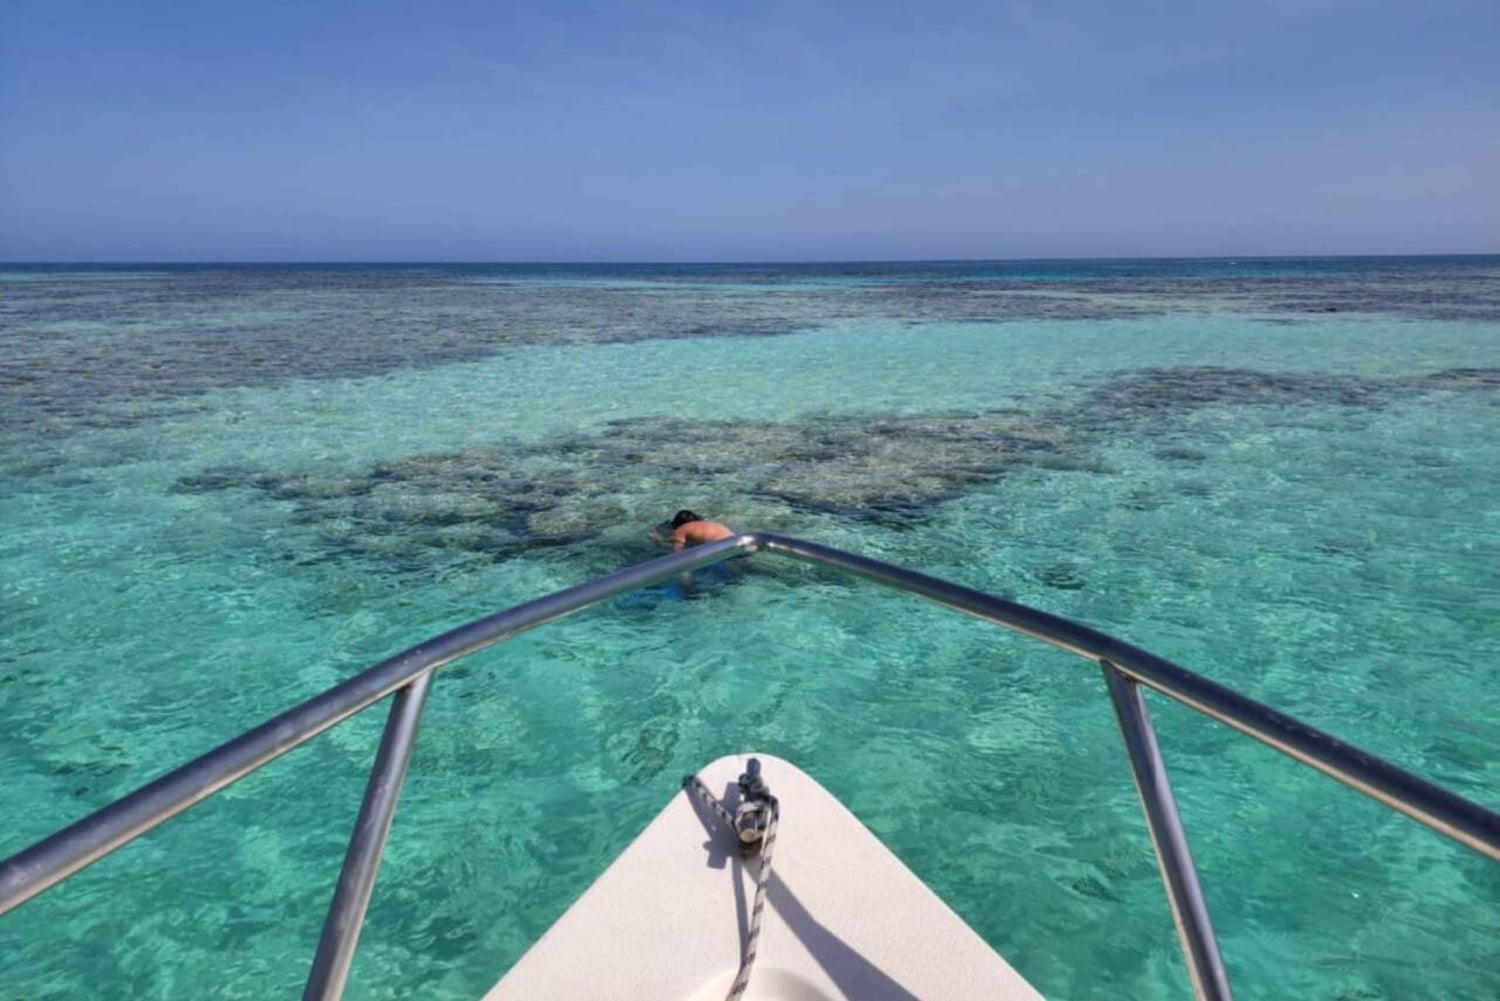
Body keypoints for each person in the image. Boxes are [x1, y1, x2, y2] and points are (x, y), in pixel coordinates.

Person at [651, 509, 734, 550]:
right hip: (735, 539)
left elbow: (678, 553)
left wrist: (659, 542)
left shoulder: (681, 529)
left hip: (721, 547)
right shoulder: (710, 524)